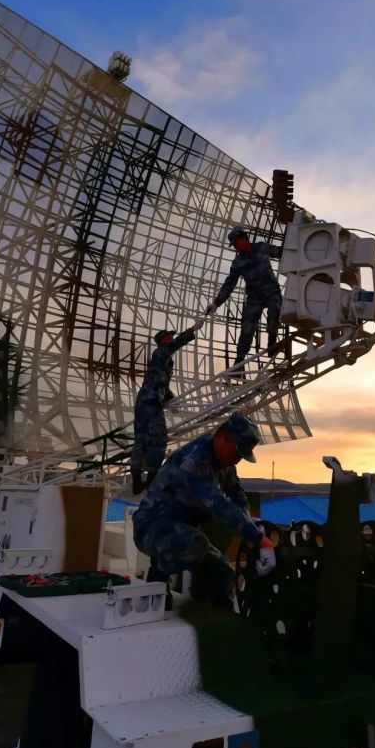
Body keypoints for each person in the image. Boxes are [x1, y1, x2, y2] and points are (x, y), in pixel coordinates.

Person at [132, 412, 276, 609]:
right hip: (150, 528)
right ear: (221, 438)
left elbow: (236, 493)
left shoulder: (225, 462)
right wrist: (257, 538)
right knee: (196, 544)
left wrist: (248, 519)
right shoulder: (196, 459)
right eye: (236, 453)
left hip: (181, 531)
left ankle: (215, 610)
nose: (237, 460)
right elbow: (217, 503)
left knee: (223, 572)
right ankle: (157, 578)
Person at [130, 320, 204, 494]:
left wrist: (172, 400)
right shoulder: (161, 353)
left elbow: (160, 382)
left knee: (141, 440)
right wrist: (191, 330)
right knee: (159, 438)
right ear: (162, 340)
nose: (172, 337)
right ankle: (151, 477)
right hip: (152, 401)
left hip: (144, 400)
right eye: (169, 336)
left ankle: (136, 480)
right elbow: (177, 344)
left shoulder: (164, 360)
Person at [206, 227, 284, 374]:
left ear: (243, 238)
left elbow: (282, 253)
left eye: (235, 243)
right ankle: (239, 362)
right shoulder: (237, 263)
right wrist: (216, 303)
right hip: (254, 297)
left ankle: (272, 341)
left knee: (275, 309)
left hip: (272, 291)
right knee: (247, 328)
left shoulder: (262, 247)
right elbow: (229, 284)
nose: (235, 247)